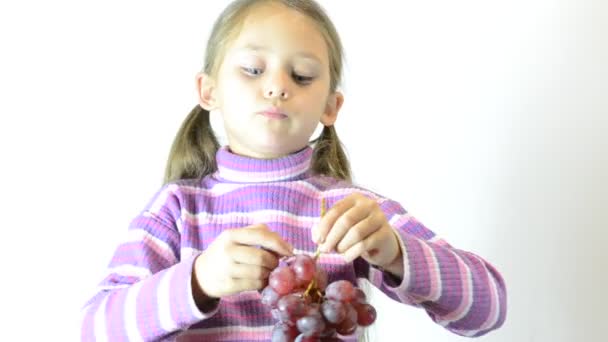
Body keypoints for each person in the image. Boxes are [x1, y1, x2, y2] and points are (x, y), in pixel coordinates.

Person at [80, 0, 507, 341]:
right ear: (208, 91)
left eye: (302, 76)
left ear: (330, 107)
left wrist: (397, 252)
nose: (277, 85)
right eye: (253, 69)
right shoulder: (175, 210)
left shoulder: (354, 214)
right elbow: (94, 329)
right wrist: (197, 281)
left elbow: (489, 310)